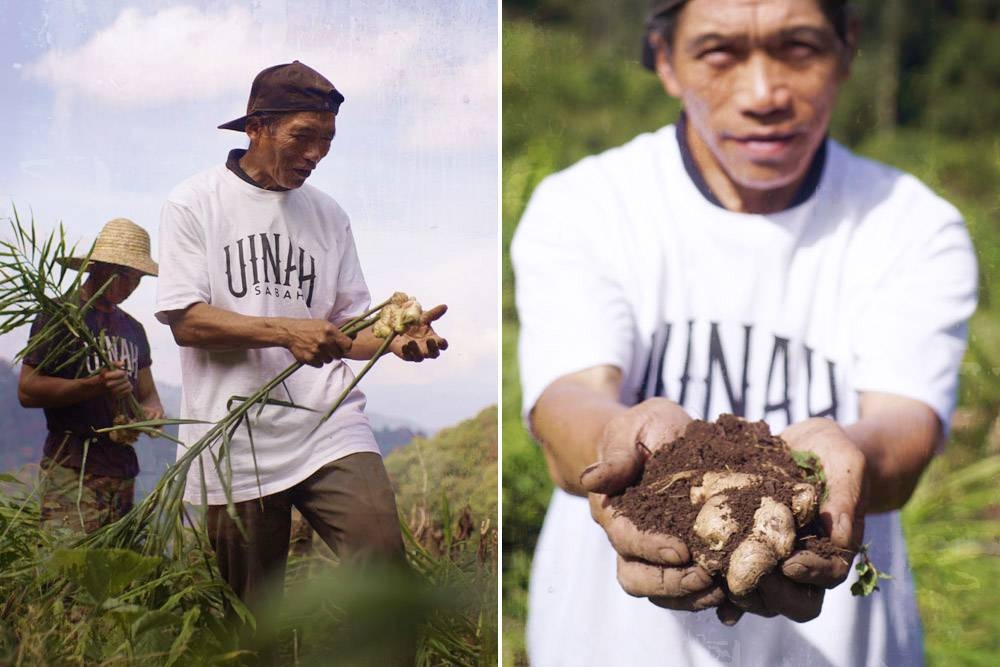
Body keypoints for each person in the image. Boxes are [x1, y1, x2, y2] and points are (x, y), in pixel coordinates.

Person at [511, 0, 978, 665]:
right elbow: (567, 406)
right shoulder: (587, 206)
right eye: (720, 53)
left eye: (799, 47)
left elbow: (906, 430)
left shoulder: (910, 225)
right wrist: (619, 447)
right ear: (666, 61)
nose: (764, 94)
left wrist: (841, 461)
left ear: (847, 49)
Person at [155, 61, 448, 612]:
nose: (315, 153)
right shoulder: (194, 203)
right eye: (302, 137)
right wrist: (286, 330)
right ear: (256, 128)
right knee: (252, 615)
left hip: (327, 421)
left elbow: (348, 329)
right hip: (233, 434)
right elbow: (186, 321)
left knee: (383, 571)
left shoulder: (328, 215)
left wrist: (396, 338)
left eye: (327, 140)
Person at [18, 217, 165, 533]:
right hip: (72, 468)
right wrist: (91, 386)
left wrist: (151, 412)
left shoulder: (133, 329)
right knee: (68, 572)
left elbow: (148, 394)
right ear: (97, 267)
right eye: (125, 276)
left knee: (111, 573)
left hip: (121, 470)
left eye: (137, 279)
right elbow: (28, 390)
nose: (130, 287)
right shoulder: (60, 316)